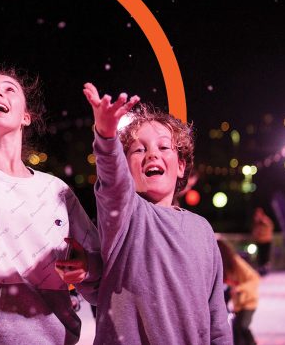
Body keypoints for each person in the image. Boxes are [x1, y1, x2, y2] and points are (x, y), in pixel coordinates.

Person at [0, 65, 101, 344]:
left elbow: (97, 268)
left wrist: (85, 268)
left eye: (9, 89)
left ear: (26, 116)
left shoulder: (56, 190)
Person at [82, 83, 232, 345]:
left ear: (181, 166)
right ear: (126, 169)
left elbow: (216, 316)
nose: (152, 154)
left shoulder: (202, 229)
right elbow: (112, 181)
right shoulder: (125, 217)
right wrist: (106, 137)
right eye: (139, 150)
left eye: (164, 147)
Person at [216, 239, 259, 345]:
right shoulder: (224, 265)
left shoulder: (235, 261)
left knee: (242, 326)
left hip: (249, 301)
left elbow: (255, 278)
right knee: (236, 329)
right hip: (238, 304)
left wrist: (239, 288)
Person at [252, 207, 274, 275]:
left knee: (265, 256)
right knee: (260, 256)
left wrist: (261, 220)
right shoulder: (256, 222)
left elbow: (270, 227)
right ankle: (261, 269)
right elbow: (255, 231)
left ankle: (266, 268)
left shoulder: (265, 219)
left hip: (266, 240)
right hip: (259, 241)